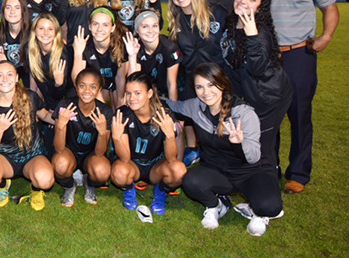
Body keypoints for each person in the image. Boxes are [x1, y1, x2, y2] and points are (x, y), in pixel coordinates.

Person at [246, 0, 340, 194]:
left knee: (299, 114)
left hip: (300, 54)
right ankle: (269, 168)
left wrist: (327, 35)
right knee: (266, 115)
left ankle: (298, 172)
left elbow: (329, 7)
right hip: (267, 57)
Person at [166, 63, 283, 236]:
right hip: (218, 171)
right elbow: (172, 106)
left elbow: (253, 157)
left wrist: (238, 144)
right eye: (200, 87)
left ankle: (257, 212)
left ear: (222, 83)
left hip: (251, 172)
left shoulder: (243, 113)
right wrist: (145, 98)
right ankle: (216, 205)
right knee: (191, 181)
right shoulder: (196, 106)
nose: (206, 92)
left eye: (211, 85)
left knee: (270, 207)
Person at [221, 0, 292, 168]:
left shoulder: (259, 33)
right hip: (249, 95)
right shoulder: (232, 22)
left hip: (268, 98)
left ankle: (268, 187)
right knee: (243, 137)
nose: (244, 0)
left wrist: (251, 36)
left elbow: (256, 68)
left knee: (261, 142)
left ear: (260, 8)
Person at [0, 61, 55, 211]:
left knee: (45, 180)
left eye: (9, 74)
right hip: (5, 158)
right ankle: (2, 185)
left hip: (32, 154)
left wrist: (61, 119)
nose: (5, 79)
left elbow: (44, 115)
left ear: (17, 77)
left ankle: (36, 190)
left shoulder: (30, 97)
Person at [166, 0, 226, 166]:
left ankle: (224, 159)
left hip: (218, 79)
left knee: (220, 121)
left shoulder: (217, 12)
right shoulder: (176, 21)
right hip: (192, 80)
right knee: (197, 119)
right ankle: (198, 152)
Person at [110, 72, 186, 217]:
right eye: (128, 93)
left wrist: (170, 135)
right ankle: (129, 191)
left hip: (156, 167)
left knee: (179, 171)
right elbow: (125, 159)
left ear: (150, 93)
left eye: (137, 93)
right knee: (119, 172)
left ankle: (161, 191)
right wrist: (117, 137)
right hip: (133, 165)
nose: (132, 98)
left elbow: (171, 158)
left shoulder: (164, 114)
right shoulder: (123, 114)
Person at [52, 68, 113, 207]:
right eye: (82, 86)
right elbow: (59, 148)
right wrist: (61, 125)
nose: (87, 91)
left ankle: (89, 183)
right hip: (69, 152)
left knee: (102, 172)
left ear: (99, 89)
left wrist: (102, 132)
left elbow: (99, 153)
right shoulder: (65, 106)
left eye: (93, 87)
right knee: (60, 165)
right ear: (76, 86)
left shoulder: (105, 112)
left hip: (91, 154)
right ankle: (70, 186)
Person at [71, 6, 127, 107]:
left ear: (112, 28)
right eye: (95, 24)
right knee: (98, 107)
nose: (99, 29)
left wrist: (120, 105)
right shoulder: (85, 45)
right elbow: (77, 81)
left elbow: (120, 79)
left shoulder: (121, 46)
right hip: (96, 84)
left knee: (119, 105)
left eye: (105, 25)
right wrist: (78, 54)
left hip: (115, 83)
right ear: (89, 26)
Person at [125, 10, 180, 102]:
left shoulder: (169, 48)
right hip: (147, 94)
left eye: (154, 26)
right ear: (137, 30)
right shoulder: (135, 47)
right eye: (145, 26)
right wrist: (132, 56)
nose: (151, 30)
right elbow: (134, 82)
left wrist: (173, 110)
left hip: (167, 95)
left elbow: (172, 84)